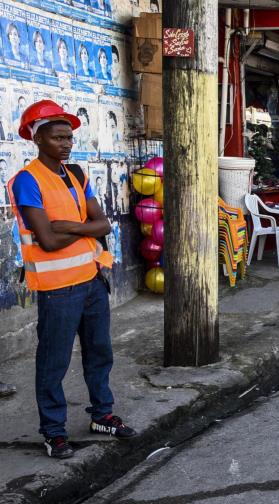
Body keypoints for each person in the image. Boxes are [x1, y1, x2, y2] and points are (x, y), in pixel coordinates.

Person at [8, 100, 136, 459]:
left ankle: (102, 416)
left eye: (69, 137)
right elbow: (47, 241)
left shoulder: (77, 174)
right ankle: (53, 432)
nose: (66, 144)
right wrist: (84, 229)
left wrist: (70, 226)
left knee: (99, 353)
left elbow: (103, 225)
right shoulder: (27, 181)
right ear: (38, 139)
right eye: (58, 137)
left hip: (92, 281)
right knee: (54, 363)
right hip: (58, 290)